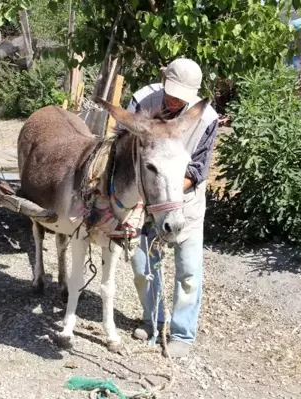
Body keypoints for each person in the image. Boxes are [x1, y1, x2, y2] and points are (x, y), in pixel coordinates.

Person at [126, 58, 219, 358]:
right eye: (171, 91)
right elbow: (125, 151)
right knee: (142, 266)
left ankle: (182, 333)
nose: (175, 99)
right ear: (163, 80)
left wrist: (166, 194)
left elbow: (197, 170)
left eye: (182, 95)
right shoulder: (142, 102)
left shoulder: (206, 119)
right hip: (145, 198)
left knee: (189, 272)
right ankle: (154, 320)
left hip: (186, 202)